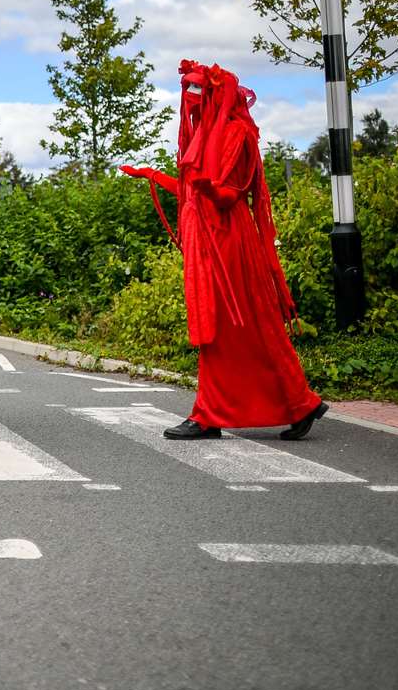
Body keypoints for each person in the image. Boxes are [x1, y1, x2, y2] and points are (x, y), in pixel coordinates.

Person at [122, 61, 326, 440]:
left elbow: (229, 193)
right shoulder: (204, 133)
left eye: (197, 90)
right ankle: (296, 403)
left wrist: (207, 186)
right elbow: (191, 193)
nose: (190, 100)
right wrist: (151, 174)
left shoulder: (236, 134)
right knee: (238, 328)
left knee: (235, 326)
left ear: (216, 92)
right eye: (187, 91)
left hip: (229, 243)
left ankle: (213, 414)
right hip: (209, 242)